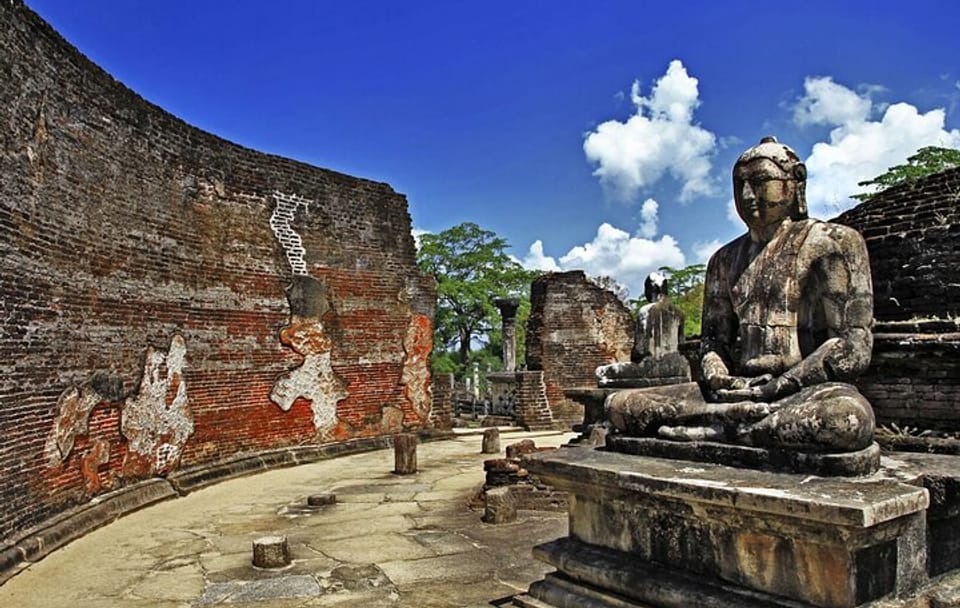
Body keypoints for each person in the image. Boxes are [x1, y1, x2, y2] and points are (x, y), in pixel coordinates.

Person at [604, 137, 875, 452]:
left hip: (801, 392)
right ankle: (737, 426)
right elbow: (714, 343)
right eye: (739, 185)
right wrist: (716, 371)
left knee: (844, 420)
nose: (747, 195)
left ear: (796, 181)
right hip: (734, 392)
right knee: (619, 406)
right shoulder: (724, 259)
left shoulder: (831, 242)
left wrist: (777, 386)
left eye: (760, 181)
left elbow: (852, 349)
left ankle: (712, 428)